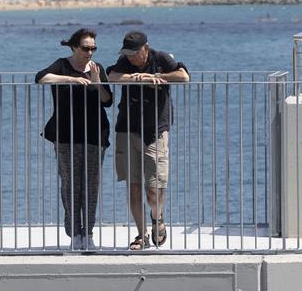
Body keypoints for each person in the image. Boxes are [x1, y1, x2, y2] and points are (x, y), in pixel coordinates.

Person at [106, 30, 190, 250]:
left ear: (146, 48)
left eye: (134, 53)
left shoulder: (160, 58)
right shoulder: (125, 61)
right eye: (127, 53)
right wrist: (136, 78)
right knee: (133, 186)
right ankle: (141, 235)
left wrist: (157, 77)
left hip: (155, 130)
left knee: (154, 187)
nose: (131, 58)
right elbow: (112, 76)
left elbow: (183, 76)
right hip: (127, 129)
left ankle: (158, 217)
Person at [35, 28, 113, 251]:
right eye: (86, 48)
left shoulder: (98, 69)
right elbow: (41, 78)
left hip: (95, 136)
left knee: (90, 186)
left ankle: (87, 234)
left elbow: (107, 101)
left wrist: (97, 81)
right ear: (74, 47)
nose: (90, 52)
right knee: (70, 185)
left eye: (93, 48)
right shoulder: (62, 64)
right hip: (65, 136)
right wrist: (71, 79)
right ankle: (74, 233)